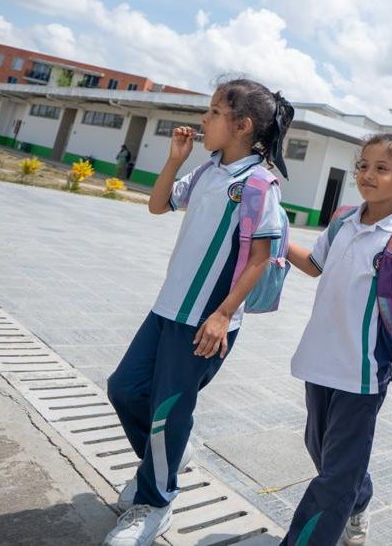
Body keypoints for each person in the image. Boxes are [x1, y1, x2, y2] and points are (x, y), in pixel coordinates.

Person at [102, 78, 294, 546]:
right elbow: (158, 205)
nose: (203, 121)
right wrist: (174, 160)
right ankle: (169, 458)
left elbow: (260, 259)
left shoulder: (258, 185)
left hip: (206, 320)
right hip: (167, 308)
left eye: (213, 113)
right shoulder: (209, 170)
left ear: (242, 125)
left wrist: (223, 315)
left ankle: (156, 503)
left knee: (168, 410)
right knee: (124, 389)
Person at [280, 133, 392, 546]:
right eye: (363, 165)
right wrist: (277, 235)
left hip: (362, 372)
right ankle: (359, 499)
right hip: (318, 360)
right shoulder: (343, 220)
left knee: (335, 477)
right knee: (321, 450)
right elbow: (315, 264)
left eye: (382, 169)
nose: (367, 174)